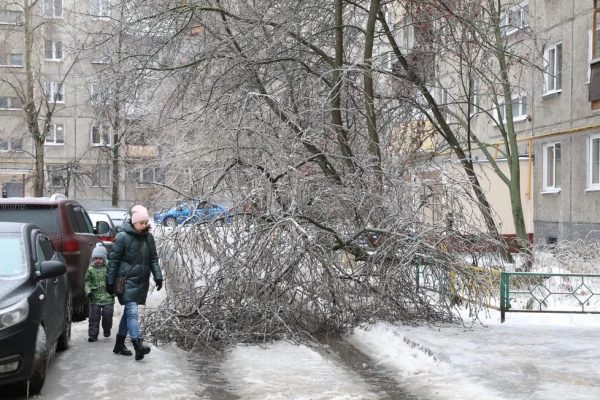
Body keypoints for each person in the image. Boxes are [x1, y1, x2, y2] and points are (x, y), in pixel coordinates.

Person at [106, 204, 163, 361]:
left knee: (128, 313)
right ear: (133, 222)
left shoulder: (149, 238)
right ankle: (138, 344)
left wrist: (158, 276)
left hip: (141, 281)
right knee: (132, 312)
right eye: (141, 223)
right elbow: (113, 261)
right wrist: (109, 281)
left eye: (146, 222)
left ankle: (119, 344)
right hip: (126, 281)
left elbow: (153, 259)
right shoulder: (123, 237)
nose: (144, 226)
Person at [84, 243, 115, 343]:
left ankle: (107, 328)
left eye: (100, 258)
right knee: (94, 317)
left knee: (108, 315)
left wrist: (114, 291)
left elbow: (114, 279)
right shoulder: (90, 269)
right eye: (96, 258)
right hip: (95, 297)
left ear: (104, 258)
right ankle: (93, 335)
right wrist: (88, 291)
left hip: (108, 297)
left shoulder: (109, 268)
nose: (98, 260)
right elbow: (87, 282)